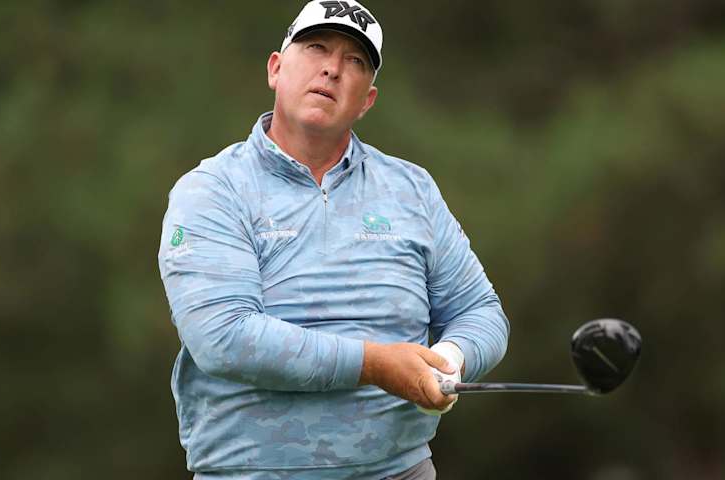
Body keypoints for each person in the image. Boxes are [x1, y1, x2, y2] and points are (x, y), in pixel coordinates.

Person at [157, 1, 509, 478]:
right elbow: (224, 337)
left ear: (367, 100)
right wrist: (376, 365)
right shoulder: (213, 190)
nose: (332, 68)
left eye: (355, 60)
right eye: (316, 47)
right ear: (275, 69)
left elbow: (480, 311)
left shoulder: (411, 189)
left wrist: (448, 360)